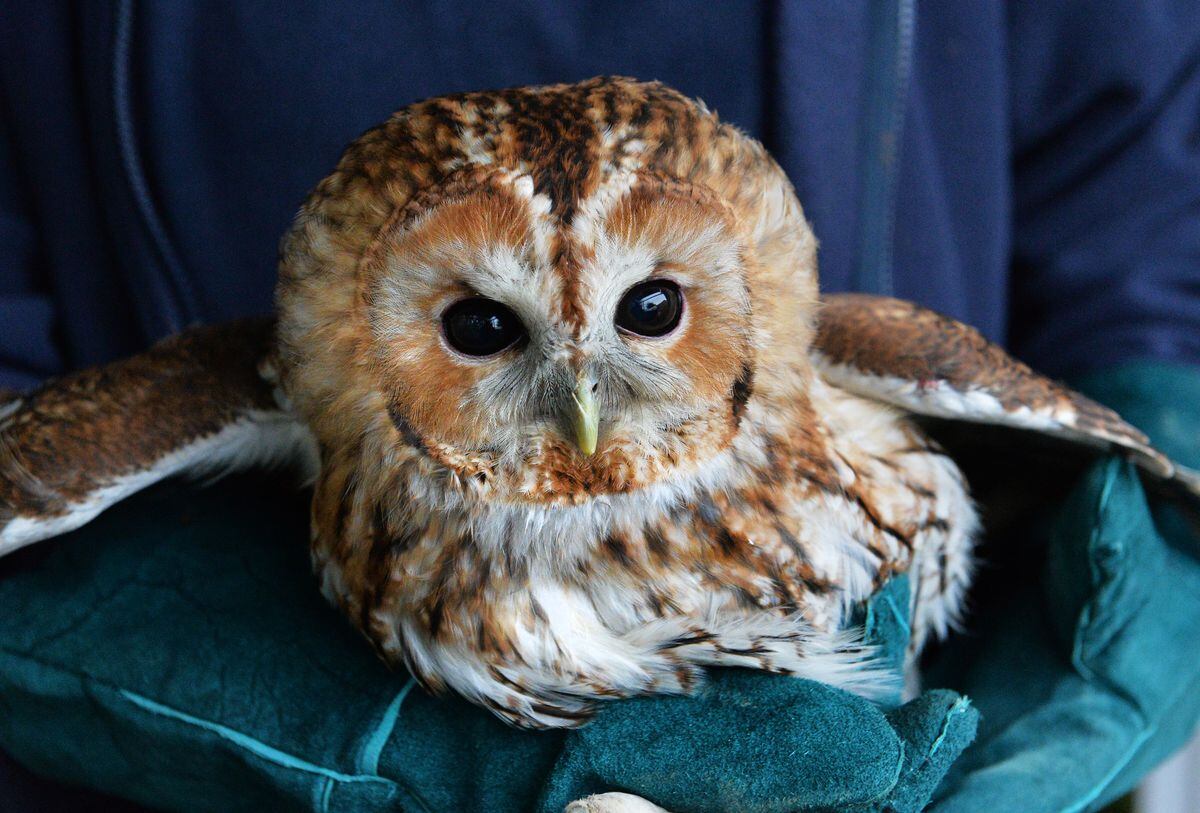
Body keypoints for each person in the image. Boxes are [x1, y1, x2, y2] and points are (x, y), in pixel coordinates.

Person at [1, 2, 1198, 810]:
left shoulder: (823, 375)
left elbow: (1153, 182)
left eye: (656, 312)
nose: (584, 398)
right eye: (480, 328)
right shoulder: (335, 411)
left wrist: (1169, 492)